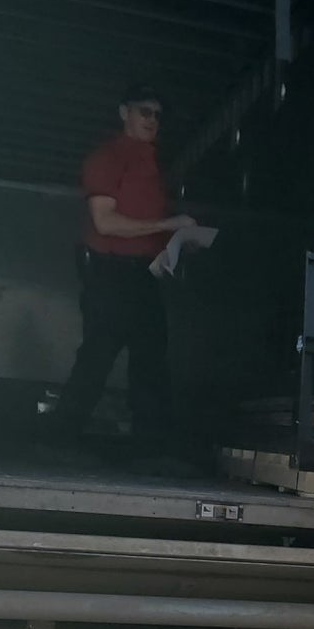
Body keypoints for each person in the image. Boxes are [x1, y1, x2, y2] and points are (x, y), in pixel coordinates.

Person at [52, 85, 196, 446]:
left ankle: (151, 446)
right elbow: (106, 222)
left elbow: (147, 228)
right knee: (99, 354)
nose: (152, 120)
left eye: (157, 115)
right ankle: (58, 438)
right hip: (108, 269)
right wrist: (168, 226)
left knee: (150, 359)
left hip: (141, 273)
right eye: (144, 111)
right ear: (124, 113)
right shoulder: (108, 158)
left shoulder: (151, 167)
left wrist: (175, 243)